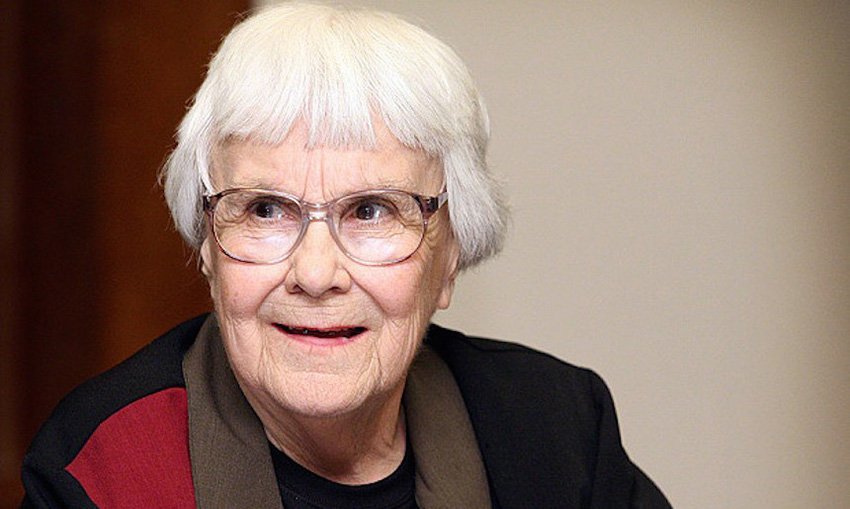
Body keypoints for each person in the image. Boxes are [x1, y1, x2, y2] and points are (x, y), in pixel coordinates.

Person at [21, 3, 671, 508]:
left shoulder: (557, 430)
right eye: (265, 209)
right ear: (208, 249)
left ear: (450, 254)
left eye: (371, 211)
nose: (315, 274)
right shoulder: (102, 471)